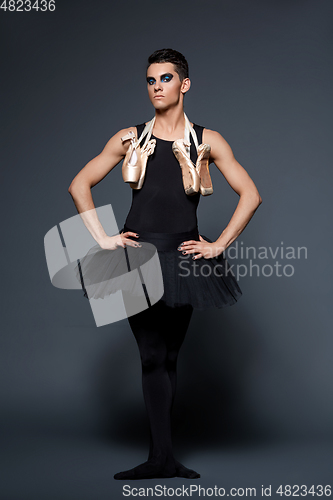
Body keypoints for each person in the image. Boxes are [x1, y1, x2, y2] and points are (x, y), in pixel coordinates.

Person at [68, 48, 262, 480]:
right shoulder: (129, 138)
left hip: (185, 259)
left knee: (170, 356)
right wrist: (102, 238)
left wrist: (217, 246)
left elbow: (251, 195)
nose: (157, 87)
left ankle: (164, 457)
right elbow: (79, 184)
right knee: (152, 354)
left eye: (166, 79)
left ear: (184, 85)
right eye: (151, 80)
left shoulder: (208, 141)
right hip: (138, 256)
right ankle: (160, 458)